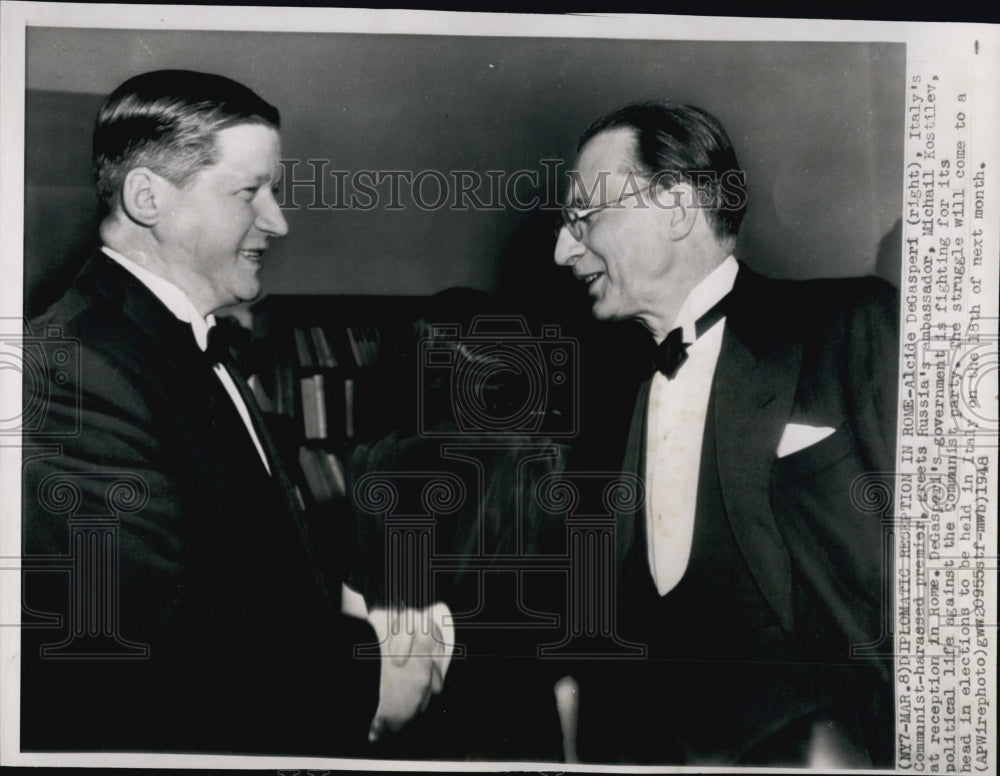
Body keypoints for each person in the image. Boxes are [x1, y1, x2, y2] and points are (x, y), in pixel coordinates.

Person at [20, 70, 436, 755]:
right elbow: (155, 646)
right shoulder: (66, 369)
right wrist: (370, 673)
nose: (278, 220)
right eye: (251, 192)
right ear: (148, 197)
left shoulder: (184, 343)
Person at [552, 102, 898, 766]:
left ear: (678, 206)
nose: (563, 249)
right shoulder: (598, 396)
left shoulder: (851, 328)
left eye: (582, 218)